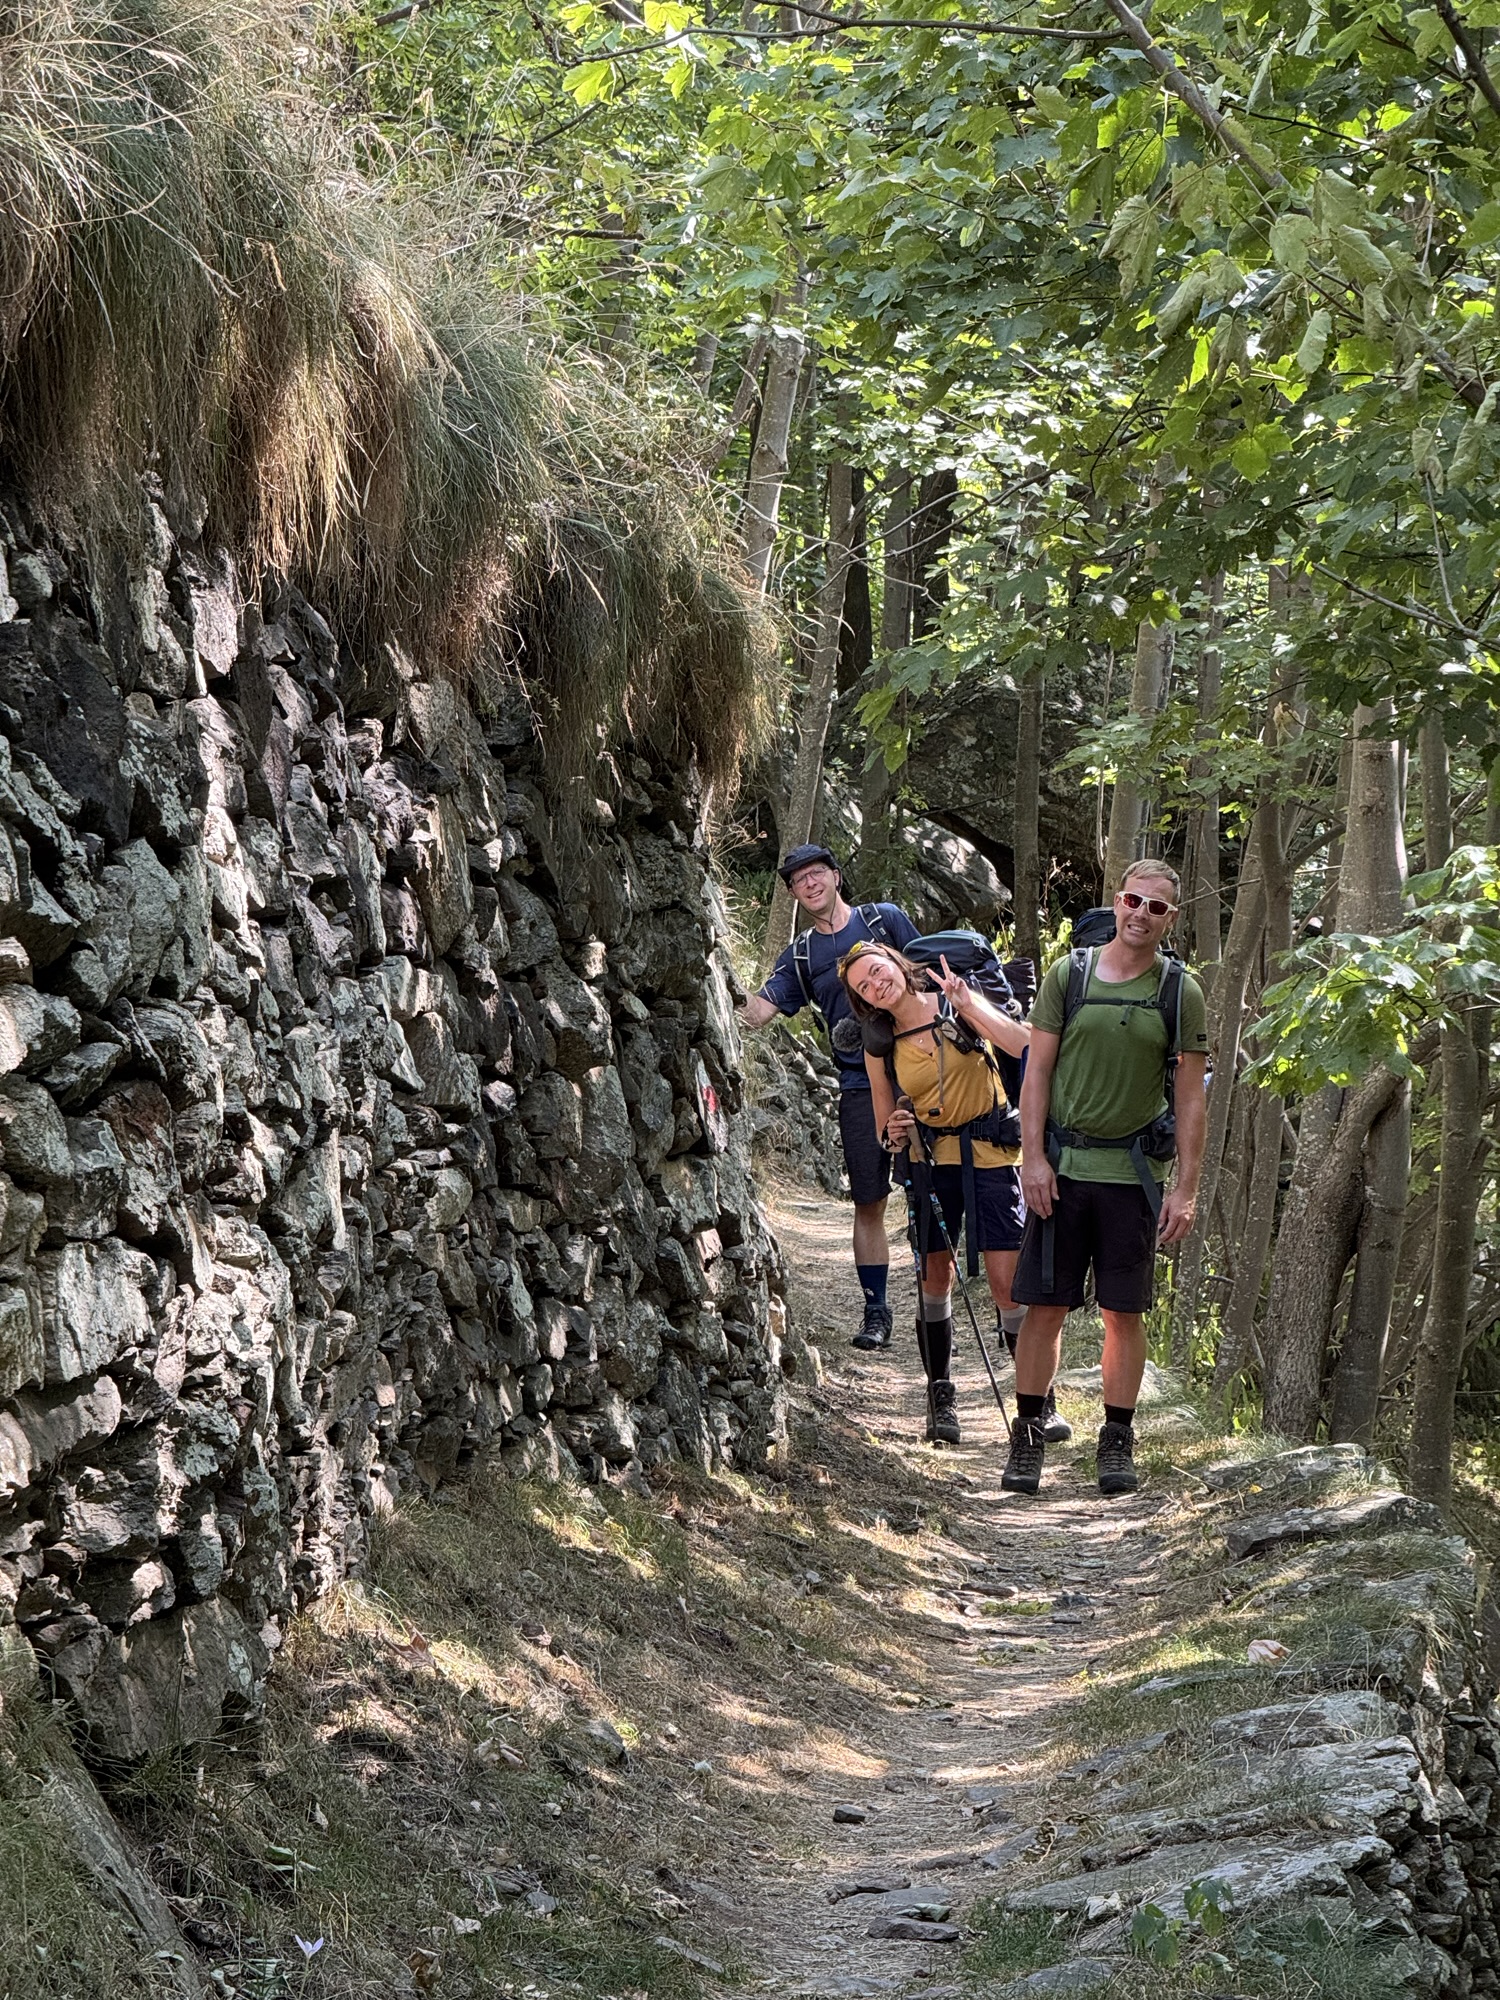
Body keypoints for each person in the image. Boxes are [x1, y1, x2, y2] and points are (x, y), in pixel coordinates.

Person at [1003, 860, 1209, 1498]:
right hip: (1062, 1172)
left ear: (1170, 918)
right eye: (1132, 900)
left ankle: (1117, 1442)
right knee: (1045, 1307)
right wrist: (1031, 1158)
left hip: (1132, 1177)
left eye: (1156, 907)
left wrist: (1187, 1187)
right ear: (1115, 903)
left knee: (1124, 1312)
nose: (1141, 914)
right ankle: (1029, 1437)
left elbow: (1191, 1097)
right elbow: (1035, 1072)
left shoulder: (1181, 991)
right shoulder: (1071, 975)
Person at [838, 940, 1030, 1446]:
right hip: (929, 1162)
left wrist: (969, 1005)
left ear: (895, 964)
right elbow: (884, 1128)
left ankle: (1035, 1404)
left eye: (877, 972)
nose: (875, 984)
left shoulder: (953, 997)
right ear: (864, 1001)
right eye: (864, 987)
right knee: (935, 1277)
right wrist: (895, 1131)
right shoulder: (877, 1042)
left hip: (991, 1153)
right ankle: (939, 1394)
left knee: (1007, 1280)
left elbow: (1019, 1044)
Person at [740, 846, 919, 1349]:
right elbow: (758, 1012)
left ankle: (936, 1307)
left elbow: (928, 978)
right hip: (860, 1089)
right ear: (794, 894)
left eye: (817, 873)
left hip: (924, 1075)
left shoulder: (884, 921)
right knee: (870, 1201)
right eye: (800, 880)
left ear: (836, 877)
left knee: (932, 1194)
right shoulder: (800, 957)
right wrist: (717, 979)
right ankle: (876, 1311)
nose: (811, 884)